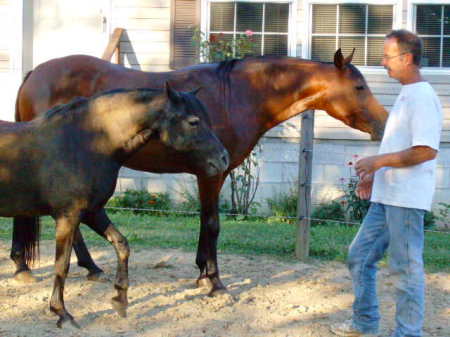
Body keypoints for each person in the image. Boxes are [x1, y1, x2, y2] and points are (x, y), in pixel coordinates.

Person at [330, 30, 443, 337]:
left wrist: (377, 162)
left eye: (387, 57)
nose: (382, 63)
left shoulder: (422, 97)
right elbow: (400, 146)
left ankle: (408, 333)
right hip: (386, 197)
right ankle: (365, 325)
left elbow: (426, 150)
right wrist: (374, 175)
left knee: (406, 271)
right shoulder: (407, 94)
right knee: (359, 257)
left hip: (406, 201)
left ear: (406, 59)